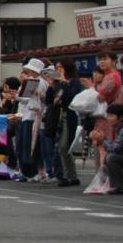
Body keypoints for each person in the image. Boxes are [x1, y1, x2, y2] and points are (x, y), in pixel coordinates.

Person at [14, 59, 46, 181]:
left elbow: (41, 98)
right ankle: (32, 172)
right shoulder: (33, 81)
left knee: (34, 145)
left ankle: (39, 171)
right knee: (28, 146)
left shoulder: (41, 82)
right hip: (28, 114)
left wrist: (19, 97)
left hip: (35, 116)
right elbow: (28, 98)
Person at [53, 58, 84, 187]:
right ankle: (70, 175)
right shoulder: (59, 83)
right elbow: (53, 99)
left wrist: (64, 83)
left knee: (65, 146)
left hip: (70, 115)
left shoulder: (74, 82)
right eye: (57, 67)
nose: (58, 70)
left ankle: (69, 175)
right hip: (59, 116)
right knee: (62, 147)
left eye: (60, 67)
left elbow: (73, 97)